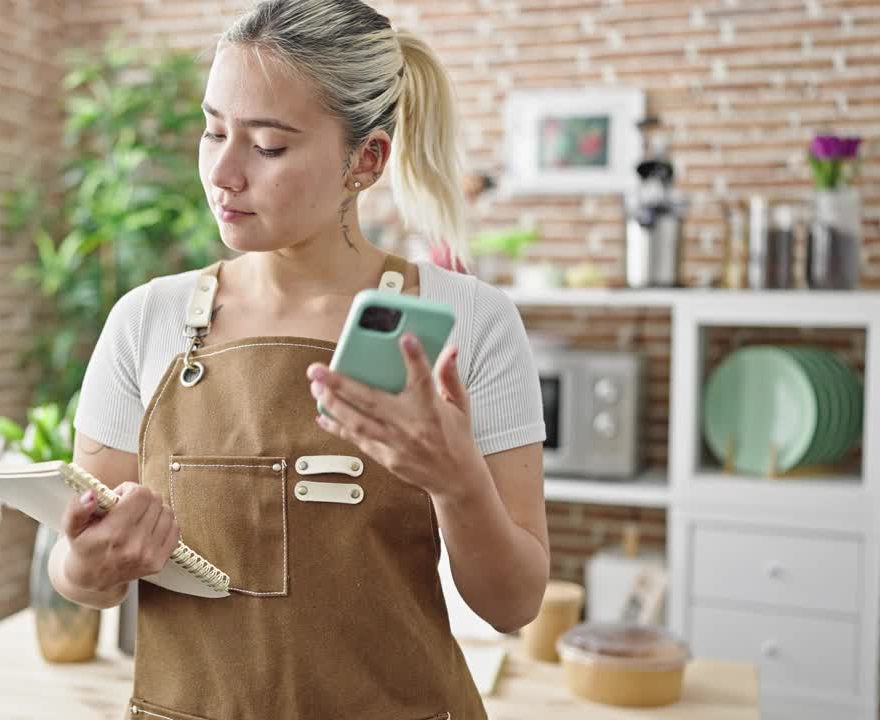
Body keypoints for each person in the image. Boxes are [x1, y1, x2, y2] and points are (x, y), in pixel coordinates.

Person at [49, 1, 548, 717]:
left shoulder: (469, 322)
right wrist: (86, 564)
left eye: (268, 147)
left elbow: (513, 606)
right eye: (213, 129)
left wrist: (457, 481)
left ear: (365, 160)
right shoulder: (145, 322)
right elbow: (84, 573)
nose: (223, 172)